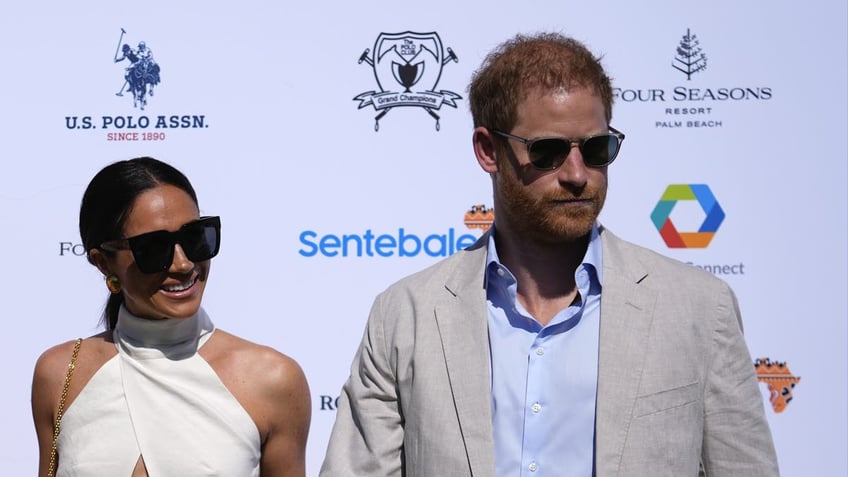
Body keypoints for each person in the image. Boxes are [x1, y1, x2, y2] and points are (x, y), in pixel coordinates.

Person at [320, 32, 779, 476]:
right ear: (487, 150)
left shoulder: (699, 306)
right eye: (549, 152)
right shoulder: (406, 314)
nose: (578, 174)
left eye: (598, 149)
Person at [32, 157, 311, 476]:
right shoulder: (58, 373)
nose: (183, 264)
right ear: (103, 264)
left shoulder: (273, 379)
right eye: (153, 248)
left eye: (195, 237)